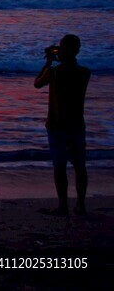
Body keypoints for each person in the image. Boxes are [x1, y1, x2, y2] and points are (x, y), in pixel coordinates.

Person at [34, 34, 91, 216]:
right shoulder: (84, 73)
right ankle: (80, 205)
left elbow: (37, 83)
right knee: (79, 166)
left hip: (57, 124)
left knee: (60, 167)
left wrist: (49, 62)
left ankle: (63, 205)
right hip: (76, 124)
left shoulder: (54, 72)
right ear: (78, 50)